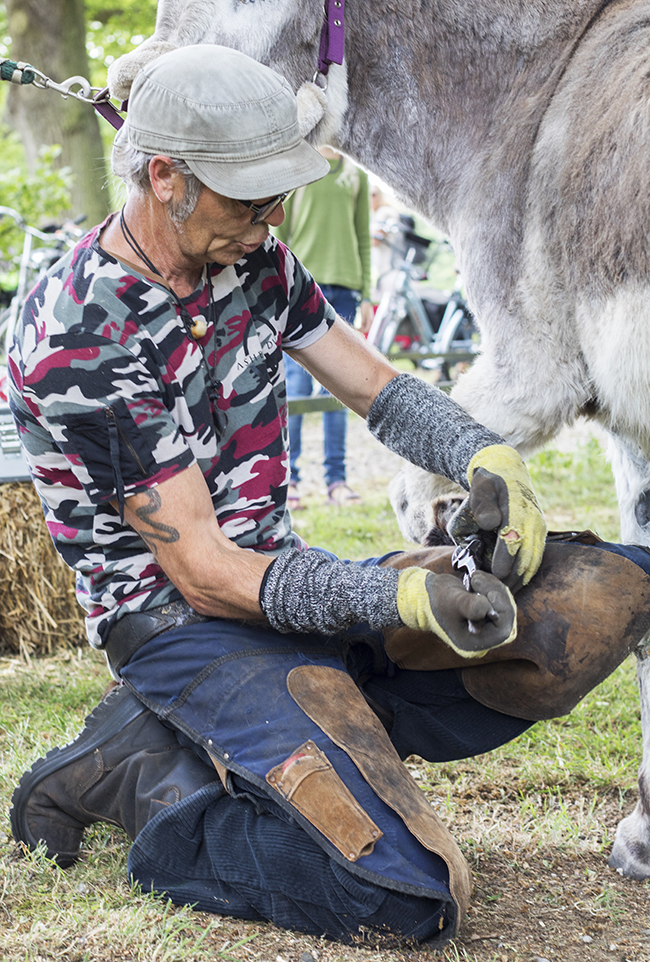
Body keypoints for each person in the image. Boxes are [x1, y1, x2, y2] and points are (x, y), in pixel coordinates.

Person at [8, 43, 623, 950]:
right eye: (250, 198)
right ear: (166, 176)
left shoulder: (250, 257)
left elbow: (377, 390)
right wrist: (402, 597)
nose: (272, 220)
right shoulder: (80, 335)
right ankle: (152, 786)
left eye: (278, 195)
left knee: (608, 591)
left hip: (288, 595)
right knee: (411, 897)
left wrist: (484, 454)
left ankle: (289, 726)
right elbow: (211, 577)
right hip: (185, 630)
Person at [274, 148, 374, 508]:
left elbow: (363, 236)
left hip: (344, 291)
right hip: (301, 287)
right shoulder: (297, 165)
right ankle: (292, 481)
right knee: (297, 389)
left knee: (339, 393)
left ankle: (336, 480)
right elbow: (278, 233)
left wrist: (367, 293)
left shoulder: (355, 174)